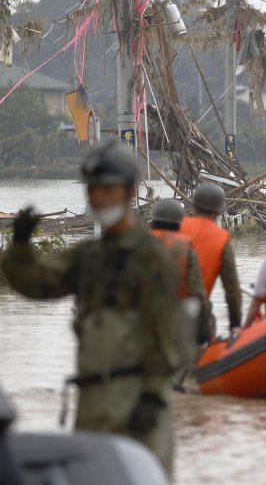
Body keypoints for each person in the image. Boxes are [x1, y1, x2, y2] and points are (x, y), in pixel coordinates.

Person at [1, 141, 186, 474]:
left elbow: (167, 334)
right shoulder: (88, 256)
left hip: (137, 398)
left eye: (108, 189)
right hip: (91, 398)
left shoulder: (151, 257)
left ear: (130, 192)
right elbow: (38, 284)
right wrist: (20, 246)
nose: (99, 197)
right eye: (93, 189)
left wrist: (154, 395)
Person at [179, 183, 242, 340]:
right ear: (218, 211)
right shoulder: (221, 238)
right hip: (195, 315)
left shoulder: (174, 227)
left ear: (193, 206)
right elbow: (232, 289)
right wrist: (235, 324)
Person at [150, 199, 210, 345]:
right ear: (180, 223)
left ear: (152, 222)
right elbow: (197, 292)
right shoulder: (185, 247)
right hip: (174, 323)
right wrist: (203, 333)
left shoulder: (136, 243)